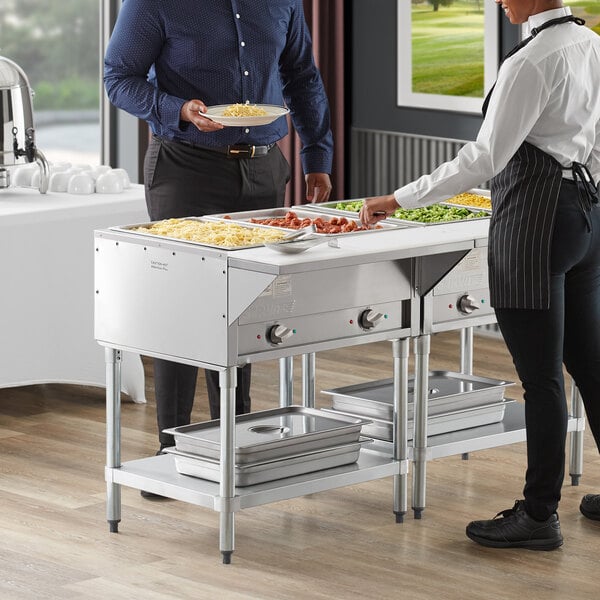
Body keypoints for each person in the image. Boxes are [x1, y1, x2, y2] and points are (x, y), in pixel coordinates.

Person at [360, 0, 600, 549]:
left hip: (536, 224)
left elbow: (483, 159)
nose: (499, 2)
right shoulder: (593, 45)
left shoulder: (531, 60)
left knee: (541, 381)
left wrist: (399, 198)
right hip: (586, 219)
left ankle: (539, 515)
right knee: (591, 365)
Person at [104, 0, 334, 490]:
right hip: (185, 166)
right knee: (182, 306)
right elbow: (118, 77)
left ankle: (234, 435)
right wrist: (177, 109)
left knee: (244, 306)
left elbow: (300, 75)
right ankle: (173, 448)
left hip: (264, 167)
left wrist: (317, 153)